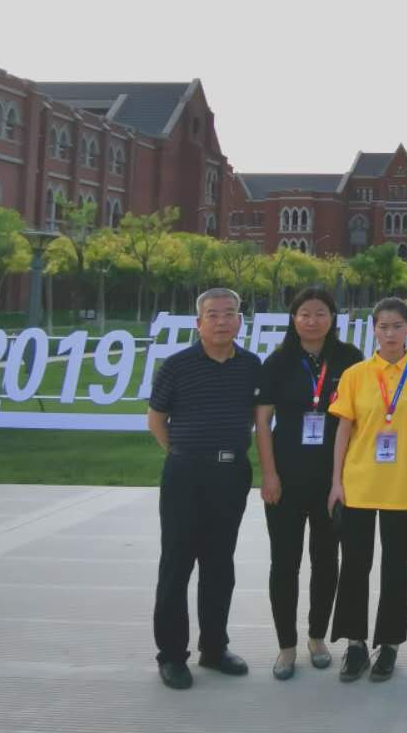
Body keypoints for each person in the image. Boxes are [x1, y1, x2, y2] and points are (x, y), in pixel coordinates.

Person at [147, 287, 259, 690]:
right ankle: (172, 656)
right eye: (212, 314)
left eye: (229, 313)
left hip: (231, 476)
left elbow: (255, 416)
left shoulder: (251, 365)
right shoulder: (177, 366)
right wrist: (182, 454)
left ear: (240, 321)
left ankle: (214, 647)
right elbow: (156, 420)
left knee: (219, 564)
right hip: (185, 476)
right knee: (177, 565)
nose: (221, 321)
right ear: (198, 322)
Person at [254, 286, 364, 680]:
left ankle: (317, 637)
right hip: (285, 479)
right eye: (305, 314)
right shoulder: (279, 361)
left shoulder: (349, 359)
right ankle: (286, 646)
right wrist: (269, 474)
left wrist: (344, 479)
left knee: (326, 560)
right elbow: (263, 422)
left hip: (332, 481)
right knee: (284, 562)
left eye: (320, 313)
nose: (312, 321)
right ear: (293, 318)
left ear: (332, 318)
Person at [327, 296, 407, 683]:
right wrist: (336, 482)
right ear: (374, 330)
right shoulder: (355, 374)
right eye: (383, 326)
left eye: (397, 326)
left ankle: (388, 644)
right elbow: (343, 430)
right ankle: (355, 644)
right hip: (359, 484)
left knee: (397, 568)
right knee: (355, 566)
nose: (390, 334)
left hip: (403, 487)